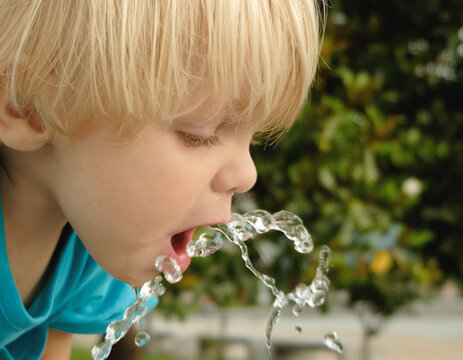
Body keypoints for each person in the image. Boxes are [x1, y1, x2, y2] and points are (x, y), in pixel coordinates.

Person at [0, 1, 323, 358]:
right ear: (25, 105)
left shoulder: (92, 250)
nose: (247, 175)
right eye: (199, 133)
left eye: (254, 137)